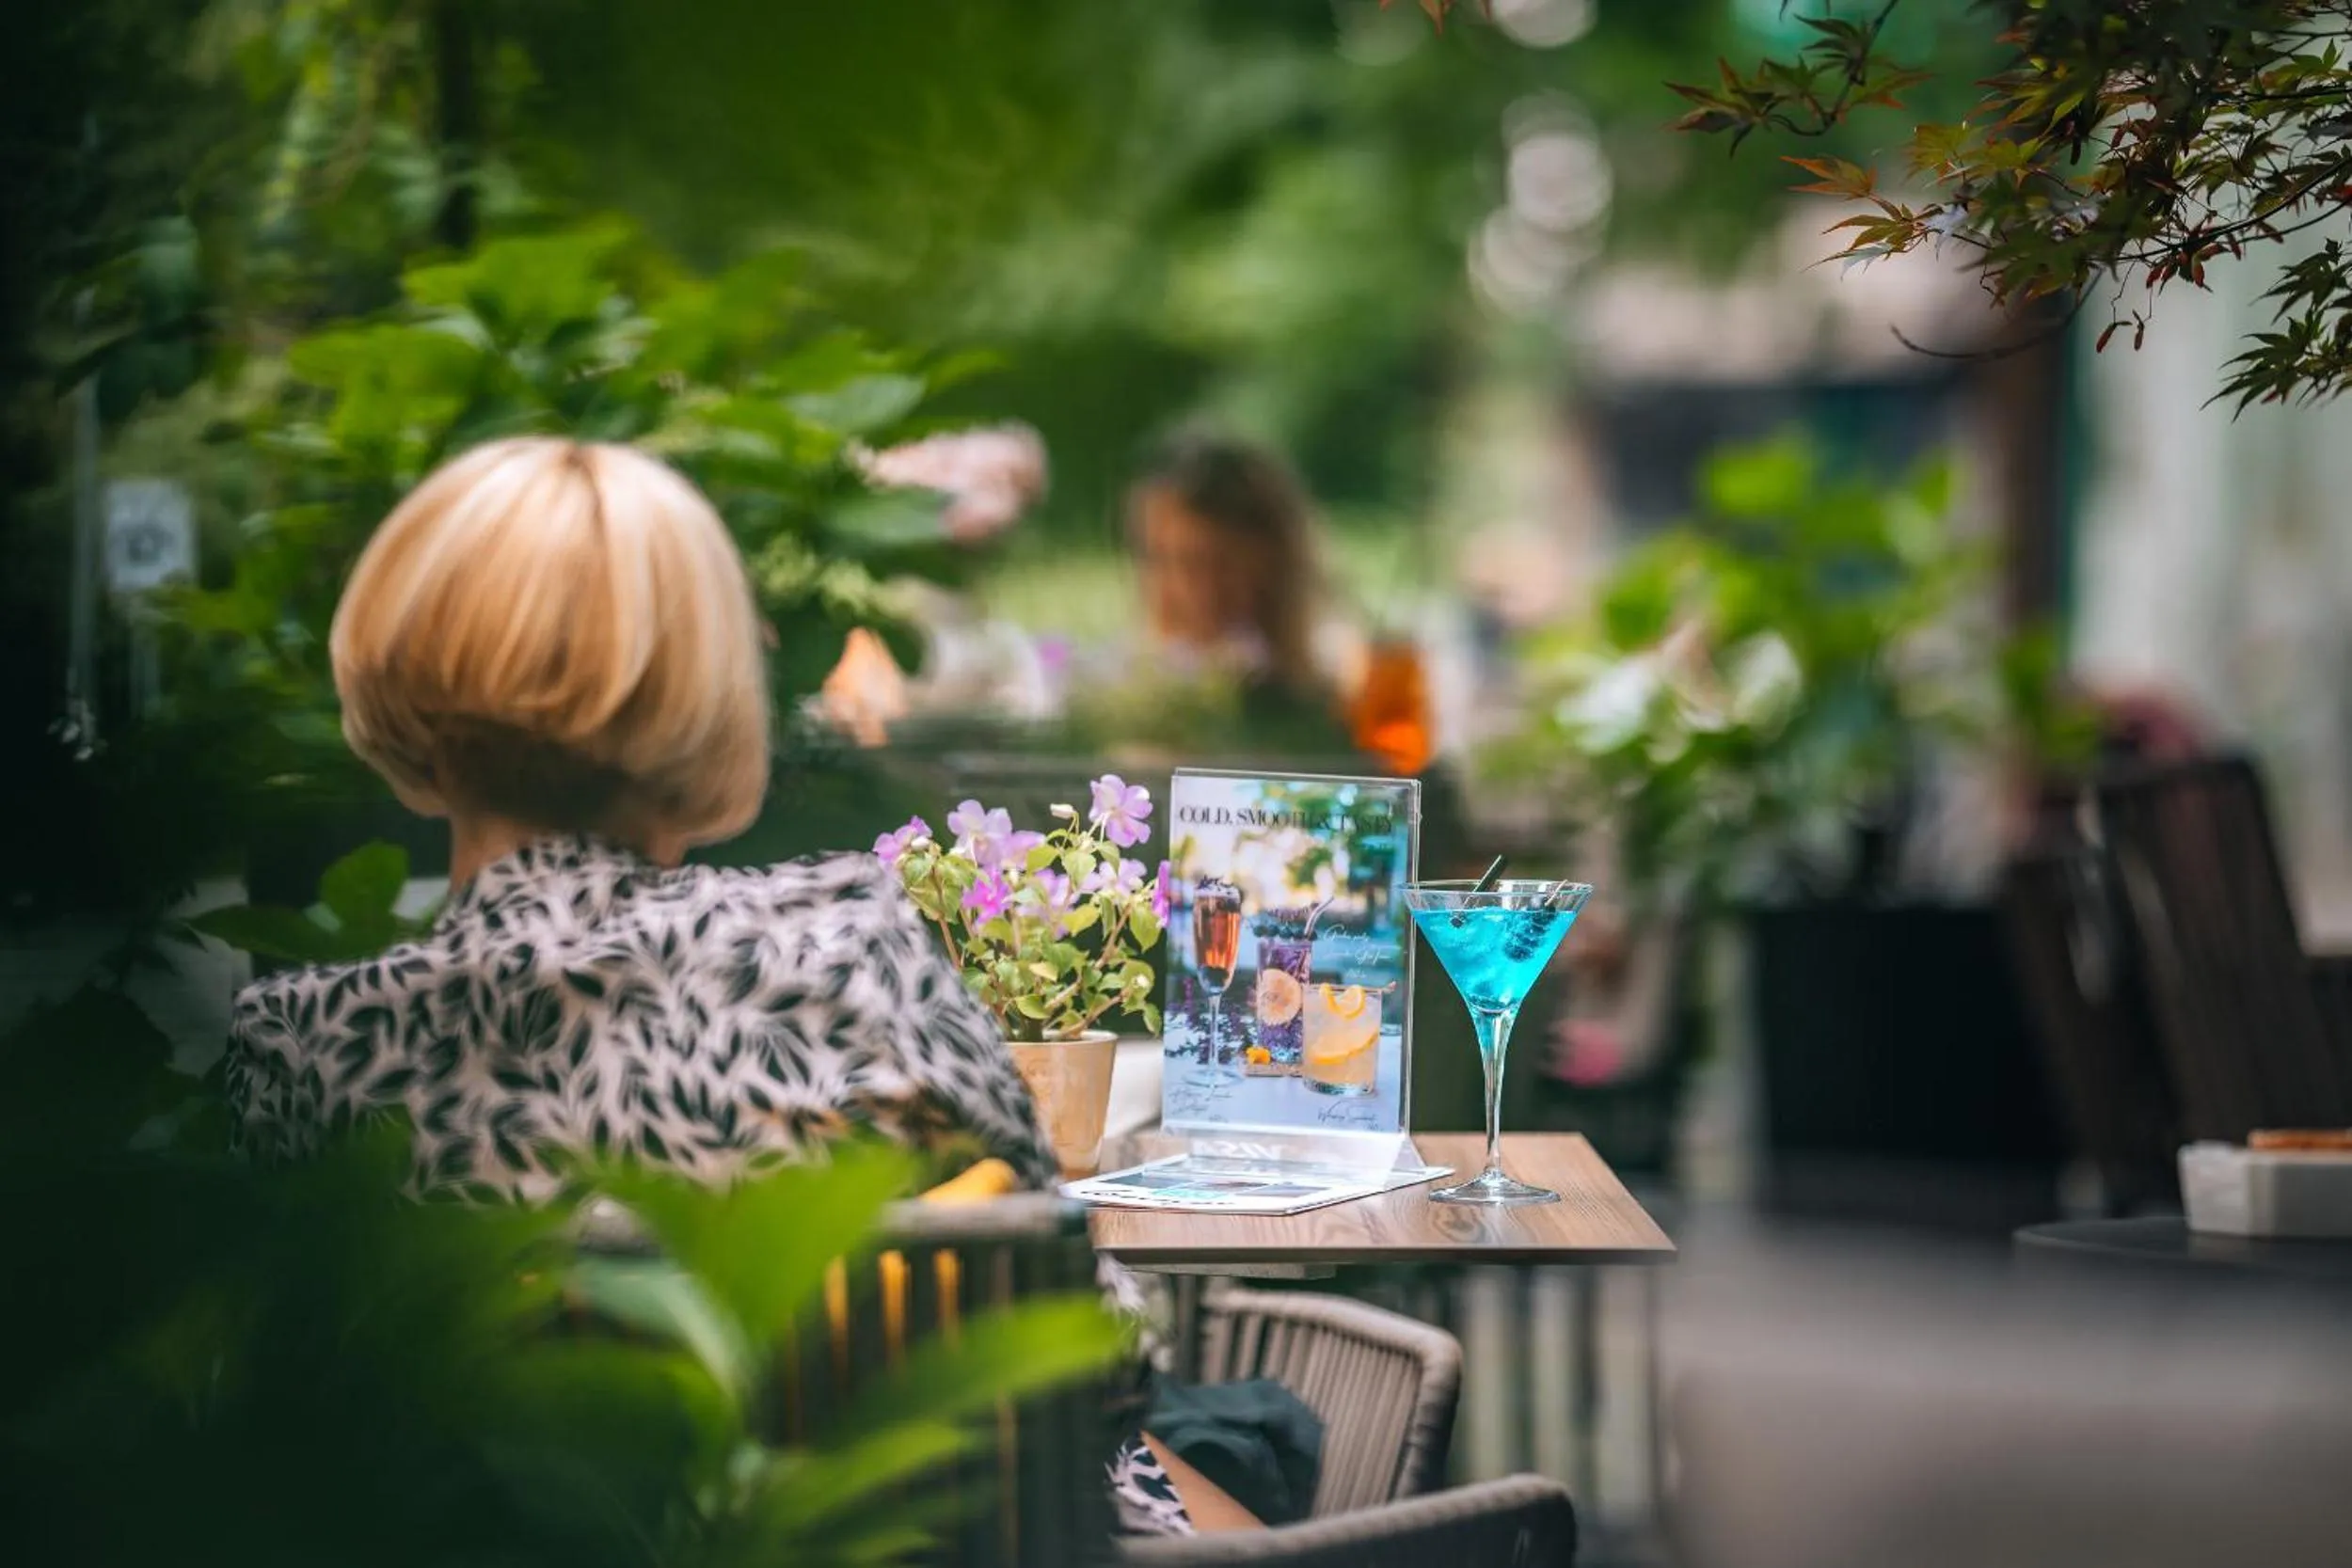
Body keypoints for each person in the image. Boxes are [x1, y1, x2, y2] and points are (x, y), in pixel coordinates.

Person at [219, 436, 1195, 1537]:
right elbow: (1082, 1349)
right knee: (1246, 1432)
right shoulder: (838, 945)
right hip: (909, 1539)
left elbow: (316, 1456)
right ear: (705, 690)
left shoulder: (301, 1046)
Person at [1121, 432, 1359, 754]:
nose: (1189, 586)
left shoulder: (1341, 687)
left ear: (1274, 558)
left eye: (1216, 561)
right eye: (1163, 559)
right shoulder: (1133, 700)